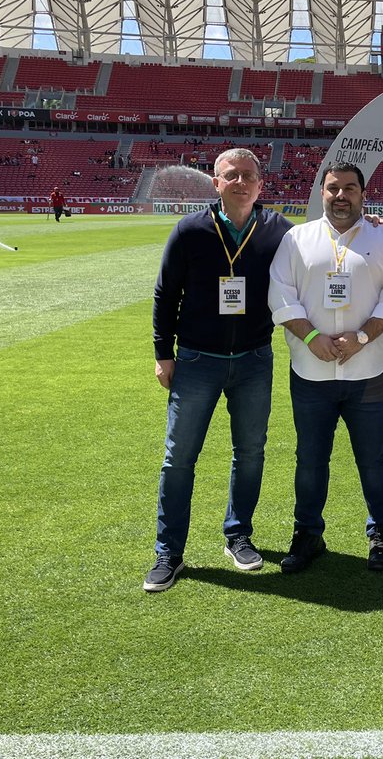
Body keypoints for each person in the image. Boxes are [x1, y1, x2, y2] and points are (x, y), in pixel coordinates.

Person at [145, 148, 292, 592]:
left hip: (253, 359)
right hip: (195, 360)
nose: (241, 182)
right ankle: (168, 553)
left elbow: (323, 249)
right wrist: (162, 352)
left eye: (249, 176)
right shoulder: (190, 230)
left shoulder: (278, 230)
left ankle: (238, 534)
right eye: (232, 175)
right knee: (179, 459)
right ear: (216, 182)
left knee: (250, 453)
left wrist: (374, 222)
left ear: (261, 185)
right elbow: (165, 293)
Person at [268, 162, 383, 573]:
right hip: (311, 373)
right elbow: (280, 294)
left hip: (370, 370)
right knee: (310, 459)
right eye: (333, 188)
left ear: (363, 194)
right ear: (321, 193)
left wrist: (362, 337)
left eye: (350, 188)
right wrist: (312, 338)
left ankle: (381, 533)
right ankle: (308, 533)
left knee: (373, 458)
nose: (341, 195)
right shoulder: (297, 239)